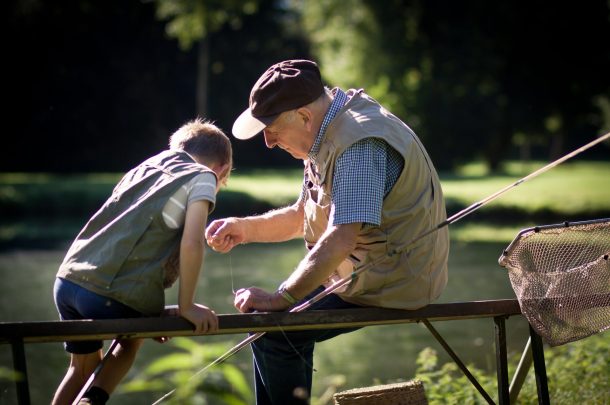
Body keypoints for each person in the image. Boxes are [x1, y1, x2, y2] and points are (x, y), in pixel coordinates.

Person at [205, 59, 449, 404]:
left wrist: (280, 298)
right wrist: (243, 228)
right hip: (361, 274)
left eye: (271, 127)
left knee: (274, 329)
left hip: (395, 281)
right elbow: (303, 214)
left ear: (303, 116)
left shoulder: (357, 144)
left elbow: (340, 235)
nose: (268, 142)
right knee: (273, 326)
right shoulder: (326, 130)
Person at [52, 118, 232, 405]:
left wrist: (155, 313)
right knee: (129, 341)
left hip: (68, 281)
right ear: (221, 169)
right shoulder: (203, 176)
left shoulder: (145, 167)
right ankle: (92, 401)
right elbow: (192, 242)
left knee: (79, 368)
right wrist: (187, 307)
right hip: (108, 295)